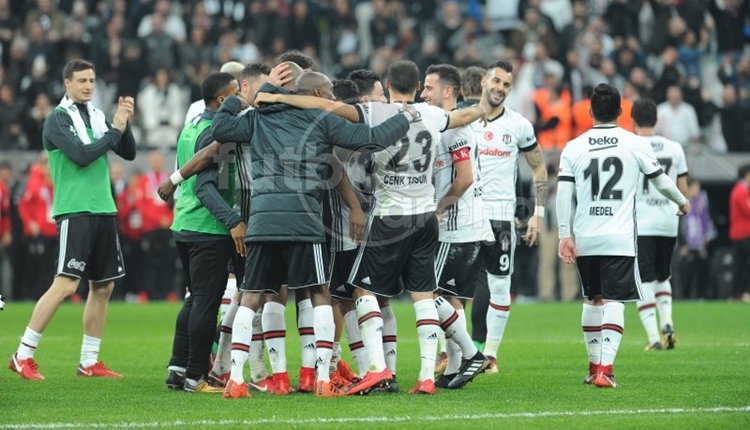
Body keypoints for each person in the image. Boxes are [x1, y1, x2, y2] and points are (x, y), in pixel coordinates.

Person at [257, 60, 487, 395]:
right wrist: (486, 106)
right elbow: (462, 116)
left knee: (364, 293)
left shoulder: (377, 113)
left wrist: (283, 97)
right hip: (425, 216)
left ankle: (377, 369)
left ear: (389, 84)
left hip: (390, 217)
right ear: (417, 85)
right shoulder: (432, 114)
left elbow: (323, 105)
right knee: (424, 297)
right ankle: (425, 376)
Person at [210, 70, 414, 398]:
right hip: (304, 221)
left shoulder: (259, 117)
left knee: (251, 295)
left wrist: (240, 97)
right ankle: (320, 378)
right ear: (317, 92)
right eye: (330, 91)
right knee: (320, 293)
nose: (333, 97)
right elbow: (370, 140)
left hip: (263, 221)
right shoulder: (321, 119)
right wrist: (405, 117)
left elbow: (219, 128)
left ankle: (235, 378)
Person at [556, 83, 690, 389]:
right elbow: (662, 182)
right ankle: (605, 370)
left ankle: (592, 368)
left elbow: (564, 194)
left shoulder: (573, 147)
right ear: (620, 112)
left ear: (590, 112)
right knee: (615, 299)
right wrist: (681, 201)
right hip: (619, 237)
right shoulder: (634, 143)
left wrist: (565, 234)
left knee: (592, 300)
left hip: (586, 236)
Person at [9, 59, 136, 380]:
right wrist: (115, 130)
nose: (88, 86)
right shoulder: (57, 120)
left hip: (103, 209)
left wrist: (124, 123)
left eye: (92, 80)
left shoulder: (97, 116)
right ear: (67, 83)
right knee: (66, 284)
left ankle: (89, 362)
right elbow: (82, 155)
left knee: (103, 287)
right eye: (81, 80)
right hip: (75, 210)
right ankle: (22, 354)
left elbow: (129, 152)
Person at [165, 72, 247, 394]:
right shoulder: (218, 133)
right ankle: (196, 377)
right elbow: (206, 187)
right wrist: (232, 220)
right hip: (208, 226)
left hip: (184, 222)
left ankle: (177, 367)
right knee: (206, 304)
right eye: (237, 93)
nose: (242, 98)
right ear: (222, 100)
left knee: (194, 300)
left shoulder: (191, 125)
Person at [472, 61, 548, 373]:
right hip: (464, 215)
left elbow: (539, 168)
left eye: (507, 85)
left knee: (500, 287)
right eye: (497, 81)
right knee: (449, 290)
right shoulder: (463, 120)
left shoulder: (519, 125)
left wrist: (537, 214)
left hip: (501, 218)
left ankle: (489, 355)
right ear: (483, 82)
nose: (501, 88)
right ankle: (454, 352)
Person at [421, 63, 492, 389]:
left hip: (457, 226)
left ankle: (469, 353)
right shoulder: (445, 126)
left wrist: (438, 209)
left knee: (426, 290)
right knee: (452, 299)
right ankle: (454, 368)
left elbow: (465, 177)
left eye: (429, 88)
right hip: (471, 225)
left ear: (448, 91)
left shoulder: (454, 130)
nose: (423, 94)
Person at [631, 98, 688, 351]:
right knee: (663, 275)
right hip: (668, 221)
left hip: (642, 221)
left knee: (644, 279)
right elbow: (682, 189)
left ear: (632, 121)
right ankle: (668, 324)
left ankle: (654, 338)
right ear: (656, 120)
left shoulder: (631, 145)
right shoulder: (675, 148)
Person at [678, 178, 714, 300]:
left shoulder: (702, 202)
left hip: (700, 243)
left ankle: (701, 296)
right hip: (686, 244)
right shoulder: (681, 201)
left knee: (702, 270)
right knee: (686, 273)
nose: (697, 191)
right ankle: (685, 297)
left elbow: (706, 221)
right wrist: (682, 244)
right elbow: (679, 224)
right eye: (695, 188)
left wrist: (705, 239)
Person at [729, 164, 750, 303]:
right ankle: (743, 292)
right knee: (742, 265)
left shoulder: (743, 190)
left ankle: (737, 294)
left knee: (740, 265)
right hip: (743, 234)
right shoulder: (741, 191)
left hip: (741, 234)